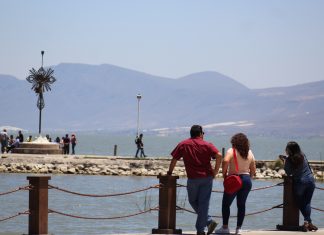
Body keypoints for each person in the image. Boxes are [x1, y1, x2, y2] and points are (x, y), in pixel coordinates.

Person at [167, 125, 222, 235]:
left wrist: (169, 173)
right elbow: (219, 155)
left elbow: (174, 159)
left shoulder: (183, 144)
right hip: (207, 178)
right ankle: (208, 222)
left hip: (192, 179)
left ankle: (201, 230)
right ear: (201, 134)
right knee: (203, 203)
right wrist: (215, 171)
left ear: (191, 133)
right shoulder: (207, 144)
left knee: (193, 201)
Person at [216, 133, 256, 235]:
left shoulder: (231, 151)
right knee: (241, 205)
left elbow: (225, 161)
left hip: (234, 180)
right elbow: (253, 168)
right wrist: (249, 178)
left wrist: (224, 174)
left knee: (226, 204)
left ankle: (225, 228)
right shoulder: (250, 152)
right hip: (246, 180)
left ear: (234, 142)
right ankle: (239, 229)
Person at [280, 141, 318, 231]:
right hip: (311, 181)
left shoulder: (289, 160)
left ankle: (307, 222)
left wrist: (284, 161)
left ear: (290, 150)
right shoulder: (302, 155)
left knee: (299, 202)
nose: (285, 149)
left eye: (287, 148)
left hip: (300, 182)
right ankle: (308, 222)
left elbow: (289, 173)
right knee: (307, 202)